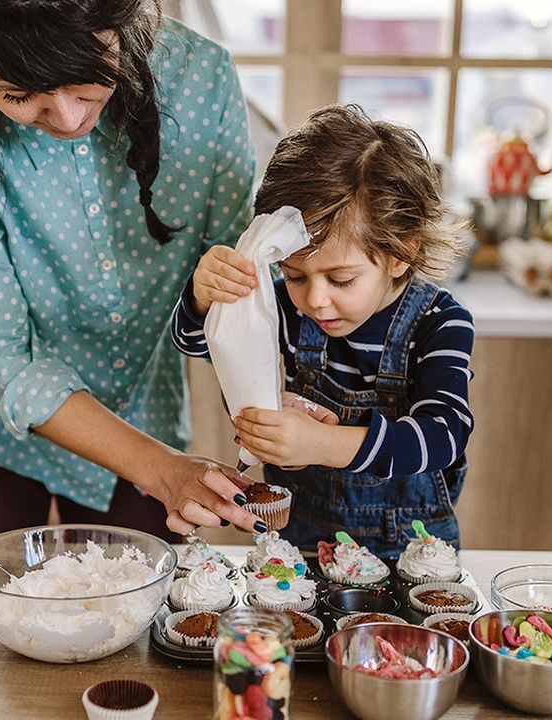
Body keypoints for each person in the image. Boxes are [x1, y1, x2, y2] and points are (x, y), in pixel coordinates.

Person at [0, 0, 266, 540]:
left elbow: (233, 281)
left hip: (144, 412)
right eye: (18, 96)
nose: (69, 119)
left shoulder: (201, 80)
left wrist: (274, 407)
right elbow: (10, 359)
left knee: (142, 623)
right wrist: (161, 469)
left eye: (84, 82)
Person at [172, 104, 474, 556]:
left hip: (408, 550)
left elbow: (444, 434)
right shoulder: (285, 307)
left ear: (400, 252)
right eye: (295, 275)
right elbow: (195, 342)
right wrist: (203, 296)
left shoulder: (438, 323)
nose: (315, 299)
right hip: (302, 542)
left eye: (341, 279)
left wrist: (322, 444)